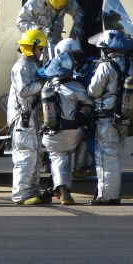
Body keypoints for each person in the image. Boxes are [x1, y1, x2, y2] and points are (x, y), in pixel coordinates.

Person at [87, 30, 133, 205]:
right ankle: (106, 194)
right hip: (123, 118)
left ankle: (108, 196)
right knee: (114, 156)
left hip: (106, 118)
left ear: (108, 50)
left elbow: (94, 91)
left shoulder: (105, 66)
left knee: (107, 158)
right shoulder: (130, 66)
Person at [40, 51, 93, 205]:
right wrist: (83, 114)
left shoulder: (47, 86)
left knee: (58, 158)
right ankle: (80, 168)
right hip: (73, 131)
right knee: (78, 143)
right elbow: (88, 103)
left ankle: (63, 192)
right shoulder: (76, 87)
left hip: (52, 132)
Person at [7, 29, 50, 205]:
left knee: (35, 155)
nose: (42, 52)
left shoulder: (34, 65)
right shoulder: (21, 67)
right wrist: (42, 84)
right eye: (40, 49)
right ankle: (21, 195)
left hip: (32, 119)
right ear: (30, 48)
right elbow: (24, 91)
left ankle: (33, 191)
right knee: (25, 156)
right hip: (23, 120)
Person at [16, 0, 85, 54]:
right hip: (36, 47)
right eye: (55, 8)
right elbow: (20, 22)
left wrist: (76, 28)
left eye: (61, 8)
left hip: (56, 44)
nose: (57, 11)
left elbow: (78, 12)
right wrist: (40, 31)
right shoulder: (34, 3)